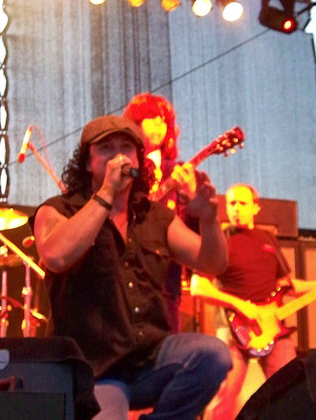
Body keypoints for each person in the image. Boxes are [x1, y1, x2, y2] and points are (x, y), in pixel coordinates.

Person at [32, 115, 232, 420]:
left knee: (213, 355)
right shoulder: (58, 209)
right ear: (88, 163)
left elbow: (213, 263)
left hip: (150, 359)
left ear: (138, 160)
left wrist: (208, 219)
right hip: (95, 368)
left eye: (126, 148)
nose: (119, 157)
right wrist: (106, 194)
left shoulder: (155, 216)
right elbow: (56, 256)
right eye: (106, 149)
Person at [191, 183, 316, 420]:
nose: (236, 208)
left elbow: (287, 285)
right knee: (223, 394)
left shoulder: (268, 239)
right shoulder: (220, 240)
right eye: (232, 203)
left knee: (291, 390)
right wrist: (238, 304)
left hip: (273, 327)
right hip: (234, 329)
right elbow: (198, 286)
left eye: (242, 203)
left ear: (256, 208)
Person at [123, 93, 197, 333]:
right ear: (134, 123)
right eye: (151, 117)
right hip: (122, 283)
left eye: (164, 120)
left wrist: (193, 201)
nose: (158, 124)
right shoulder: (120, 169)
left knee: (165, 347)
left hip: (165, 286)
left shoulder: (179, 173)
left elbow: (191, 235)